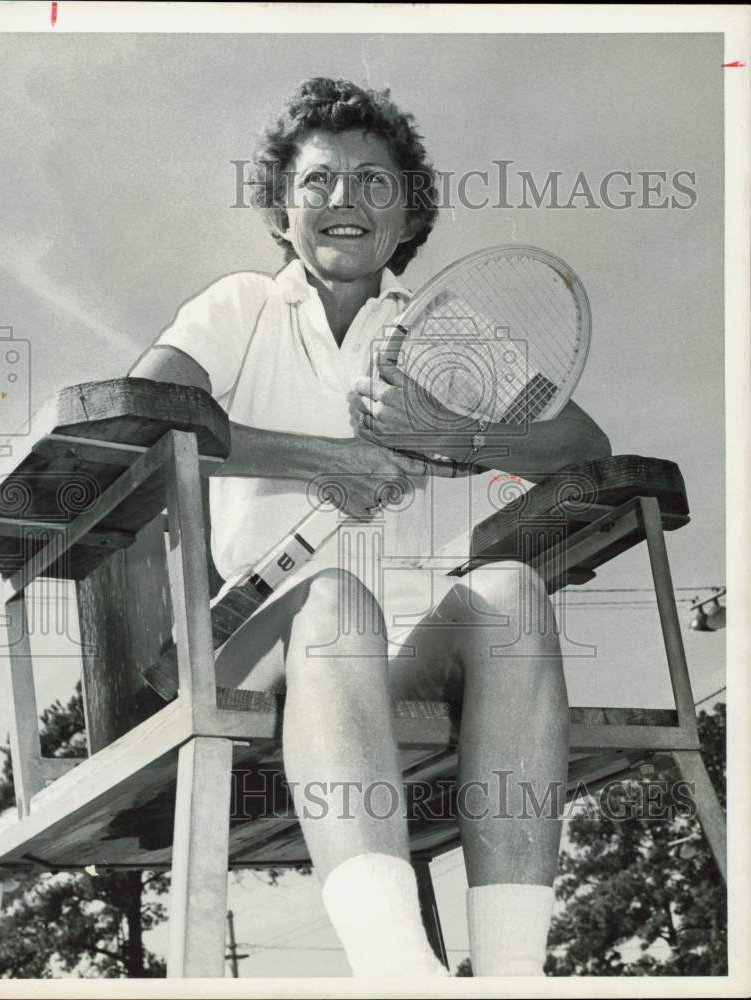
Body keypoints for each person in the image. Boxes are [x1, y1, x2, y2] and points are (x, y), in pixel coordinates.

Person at [129, 77, 612, 977]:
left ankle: (513, 975)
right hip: (249, 642)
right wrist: (326, 460)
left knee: (510, 595)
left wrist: (456, 436)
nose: (343, 200)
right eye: (317, 182)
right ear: (283, 209)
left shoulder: (444, 331)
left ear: (407, 215)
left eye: (373, 182)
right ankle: (398, 970)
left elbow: (582, 444)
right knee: (337, 601)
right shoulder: (242, 307)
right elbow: (145, 416)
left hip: (400, 654)